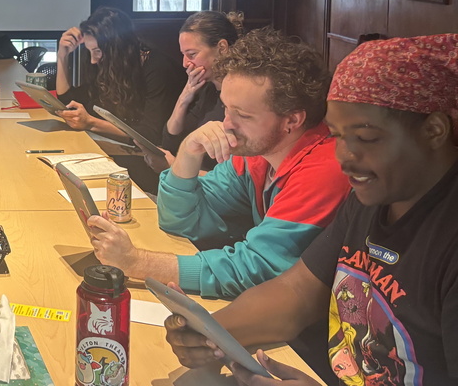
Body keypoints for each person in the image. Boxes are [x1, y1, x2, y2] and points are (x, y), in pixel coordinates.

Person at [164, 33, 458, 385]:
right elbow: (298, 291)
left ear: (435, 130)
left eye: (365, 139)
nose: (344, 157)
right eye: (336, 135)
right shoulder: (372, 199)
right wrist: (210, 332)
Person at [88, 28, 351, 298]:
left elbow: (254, 271)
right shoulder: (257, 154)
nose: (227, 124)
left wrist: (137, 263)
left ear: (292, 121)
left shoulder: (325, 169)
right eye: (226, 108)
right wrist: (189, 152)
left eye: (243, 115)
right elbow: (179, 222)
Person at [56, 6, 184, 193]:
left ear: (115, 47)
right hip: (122, 153)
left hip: (152, 165)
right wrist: (62, 55)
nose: (93, 60)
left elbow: (149, 134)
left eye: (97, 51)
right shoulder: (109, 65)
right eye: (90, 51)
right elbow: (68, 99)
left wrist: (91, 123)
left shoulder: (157, 68)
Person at [147, 11, 245, 173]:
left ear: (222, 48)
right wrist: (185, 96)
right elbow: (170, 142)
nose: (185, 63)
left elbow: (234, 180)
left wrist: (173, 166)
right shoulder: (207, 88)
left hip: (213, 191)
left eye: (192, 54)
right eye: (183, 55)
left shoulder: (241, 97)